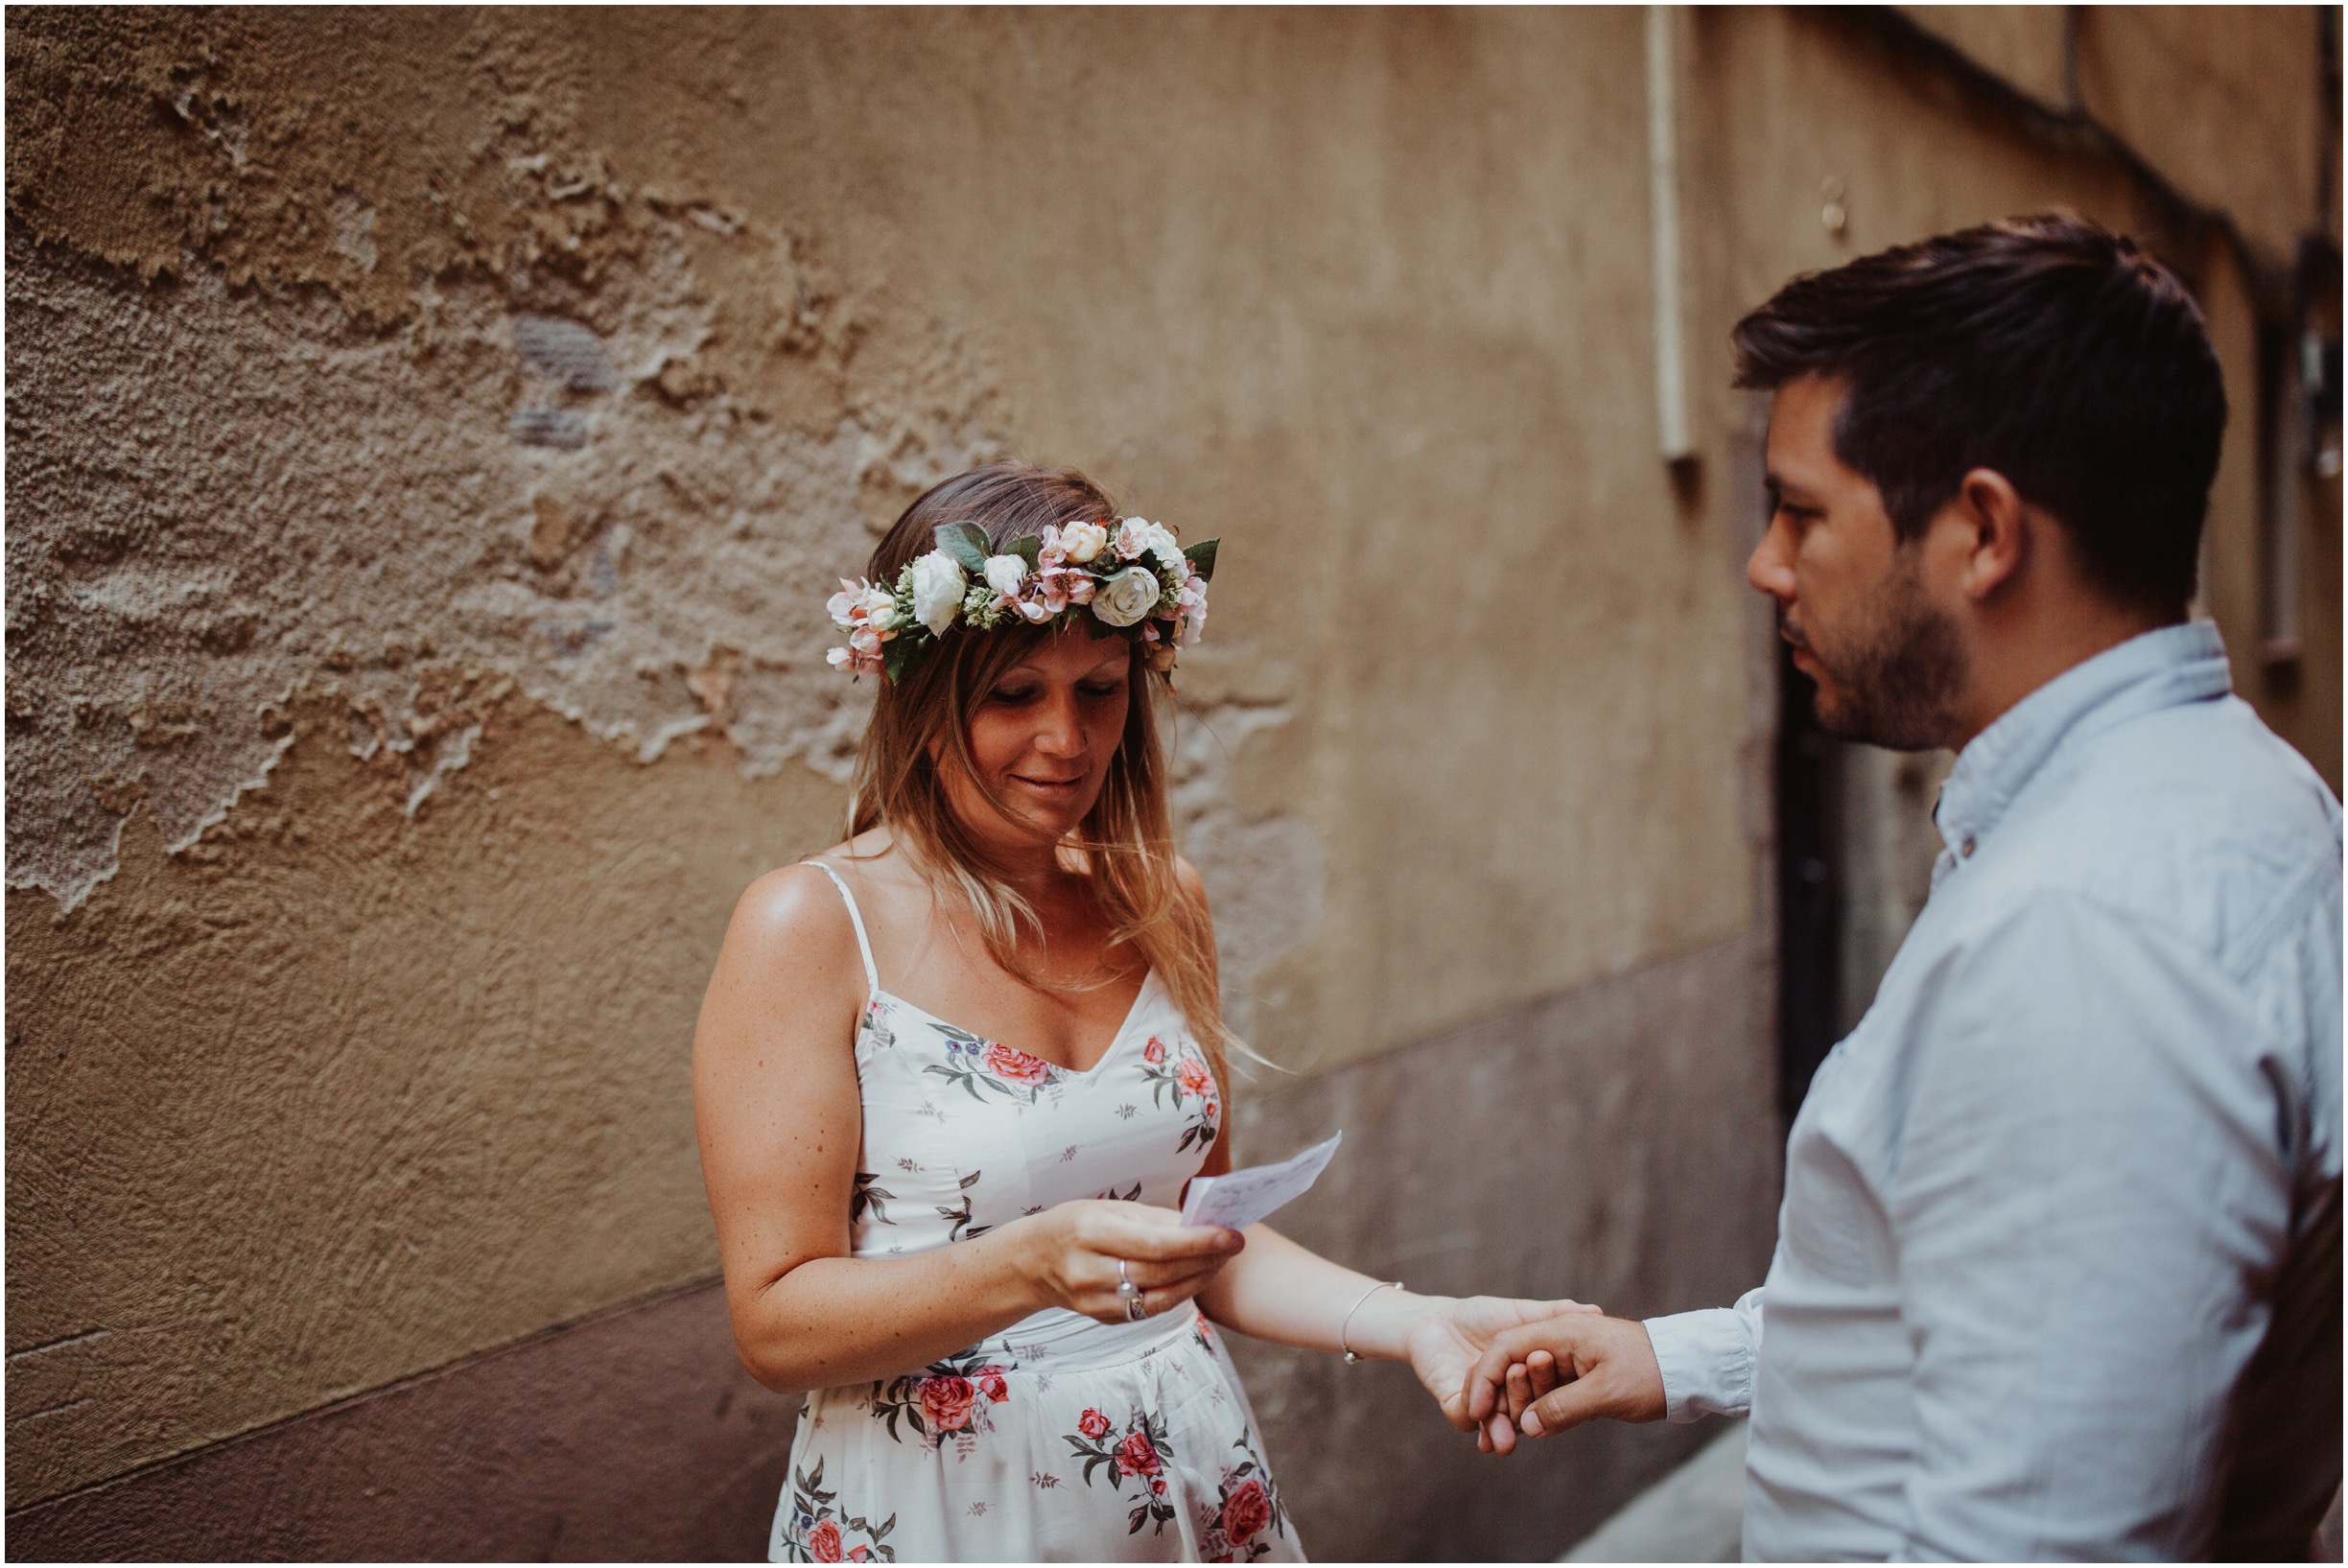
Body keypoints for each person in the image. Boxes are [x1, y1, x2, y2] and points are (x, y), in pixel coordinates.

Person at [1462, 216, 2343, 1559]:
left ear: (1982, 530)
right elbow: (2007, 1318)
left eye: (1802, 510)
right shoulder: (2217, 801)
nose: (1766, 563)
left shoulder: (2093, 936)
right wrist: (1684, 1354)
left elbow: (2044, 1534)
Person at [694, 462, 1590, 1563]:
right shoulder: (810, 925)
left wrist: (1416, 1323)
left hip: (1182, 1478)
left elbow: (1200, 1237)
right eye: (1015, 693)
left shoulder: (1162, 899)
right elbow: (776, 1322)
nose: (1067, 741)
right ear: (920, 698)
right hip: (946, 1506)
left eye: (1100, 689)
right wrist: (1027, 1266)